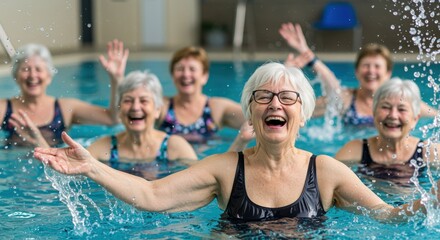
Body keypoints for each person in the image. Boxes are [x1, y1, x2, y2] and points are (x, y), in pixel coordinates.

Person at [34, 62, 438, 222]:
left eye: (286, 97)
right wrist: (92, 166)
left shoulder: (327, 171)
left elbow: (389, 216)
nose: (274, 103)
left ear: (303, 111)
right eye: (262, 96)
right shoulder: (224, 168)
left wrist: (430, 201)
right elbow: (152, 195)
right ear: (250, 111)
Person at [278, 22, 436, 126]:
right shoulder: (347, 99)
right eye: (366, 65)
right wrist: (286, 75)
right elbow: (300, 109)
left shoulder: (402, 102)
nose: (371, 71)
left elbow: (436, 116)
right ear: (357, 71)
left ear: (388, 73)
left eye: (377, 66)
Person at [0, 40, 127, 148]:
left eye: (38, 69)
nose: (33, 75)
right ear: (15, 76)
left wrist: (116, 81)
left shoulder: (65, 108)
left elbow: (113, 119)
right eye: (25, 69)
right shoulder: (3, 108)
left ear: (49, 76)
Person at [87, 70, 197, 179]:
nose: (135, 107)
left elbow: (200, 179)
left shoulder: (174, 147)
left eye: (144, 101)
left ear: (157, 110)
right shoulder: (105, 148)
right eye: (128, 100)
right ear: (119, 110)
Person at [335, 78, 435, 184]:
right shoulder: (355, 150)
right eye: (386, 107)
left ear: (415, 119)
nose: (393, 115)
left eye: (402, 109)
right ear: (374, 113)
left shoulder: (429, 152)